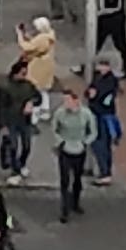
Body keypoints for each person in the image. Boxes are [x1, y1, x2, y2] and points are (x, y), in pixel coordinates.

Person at [50, 86, 92, 221]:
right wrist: (60, 142)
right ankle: (65, 209)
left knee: (77, 179)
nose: (65, 104)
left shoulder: (86, 114)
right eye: (64, 101)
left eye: (68, 101)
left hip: (79, 149)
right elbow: (54, 129)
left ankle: (76, 202)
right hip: (65, 149)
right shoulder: (59, 113)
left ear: (76, 101)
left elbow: (93, 131)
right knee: (65, 180)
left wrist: (85, 142)